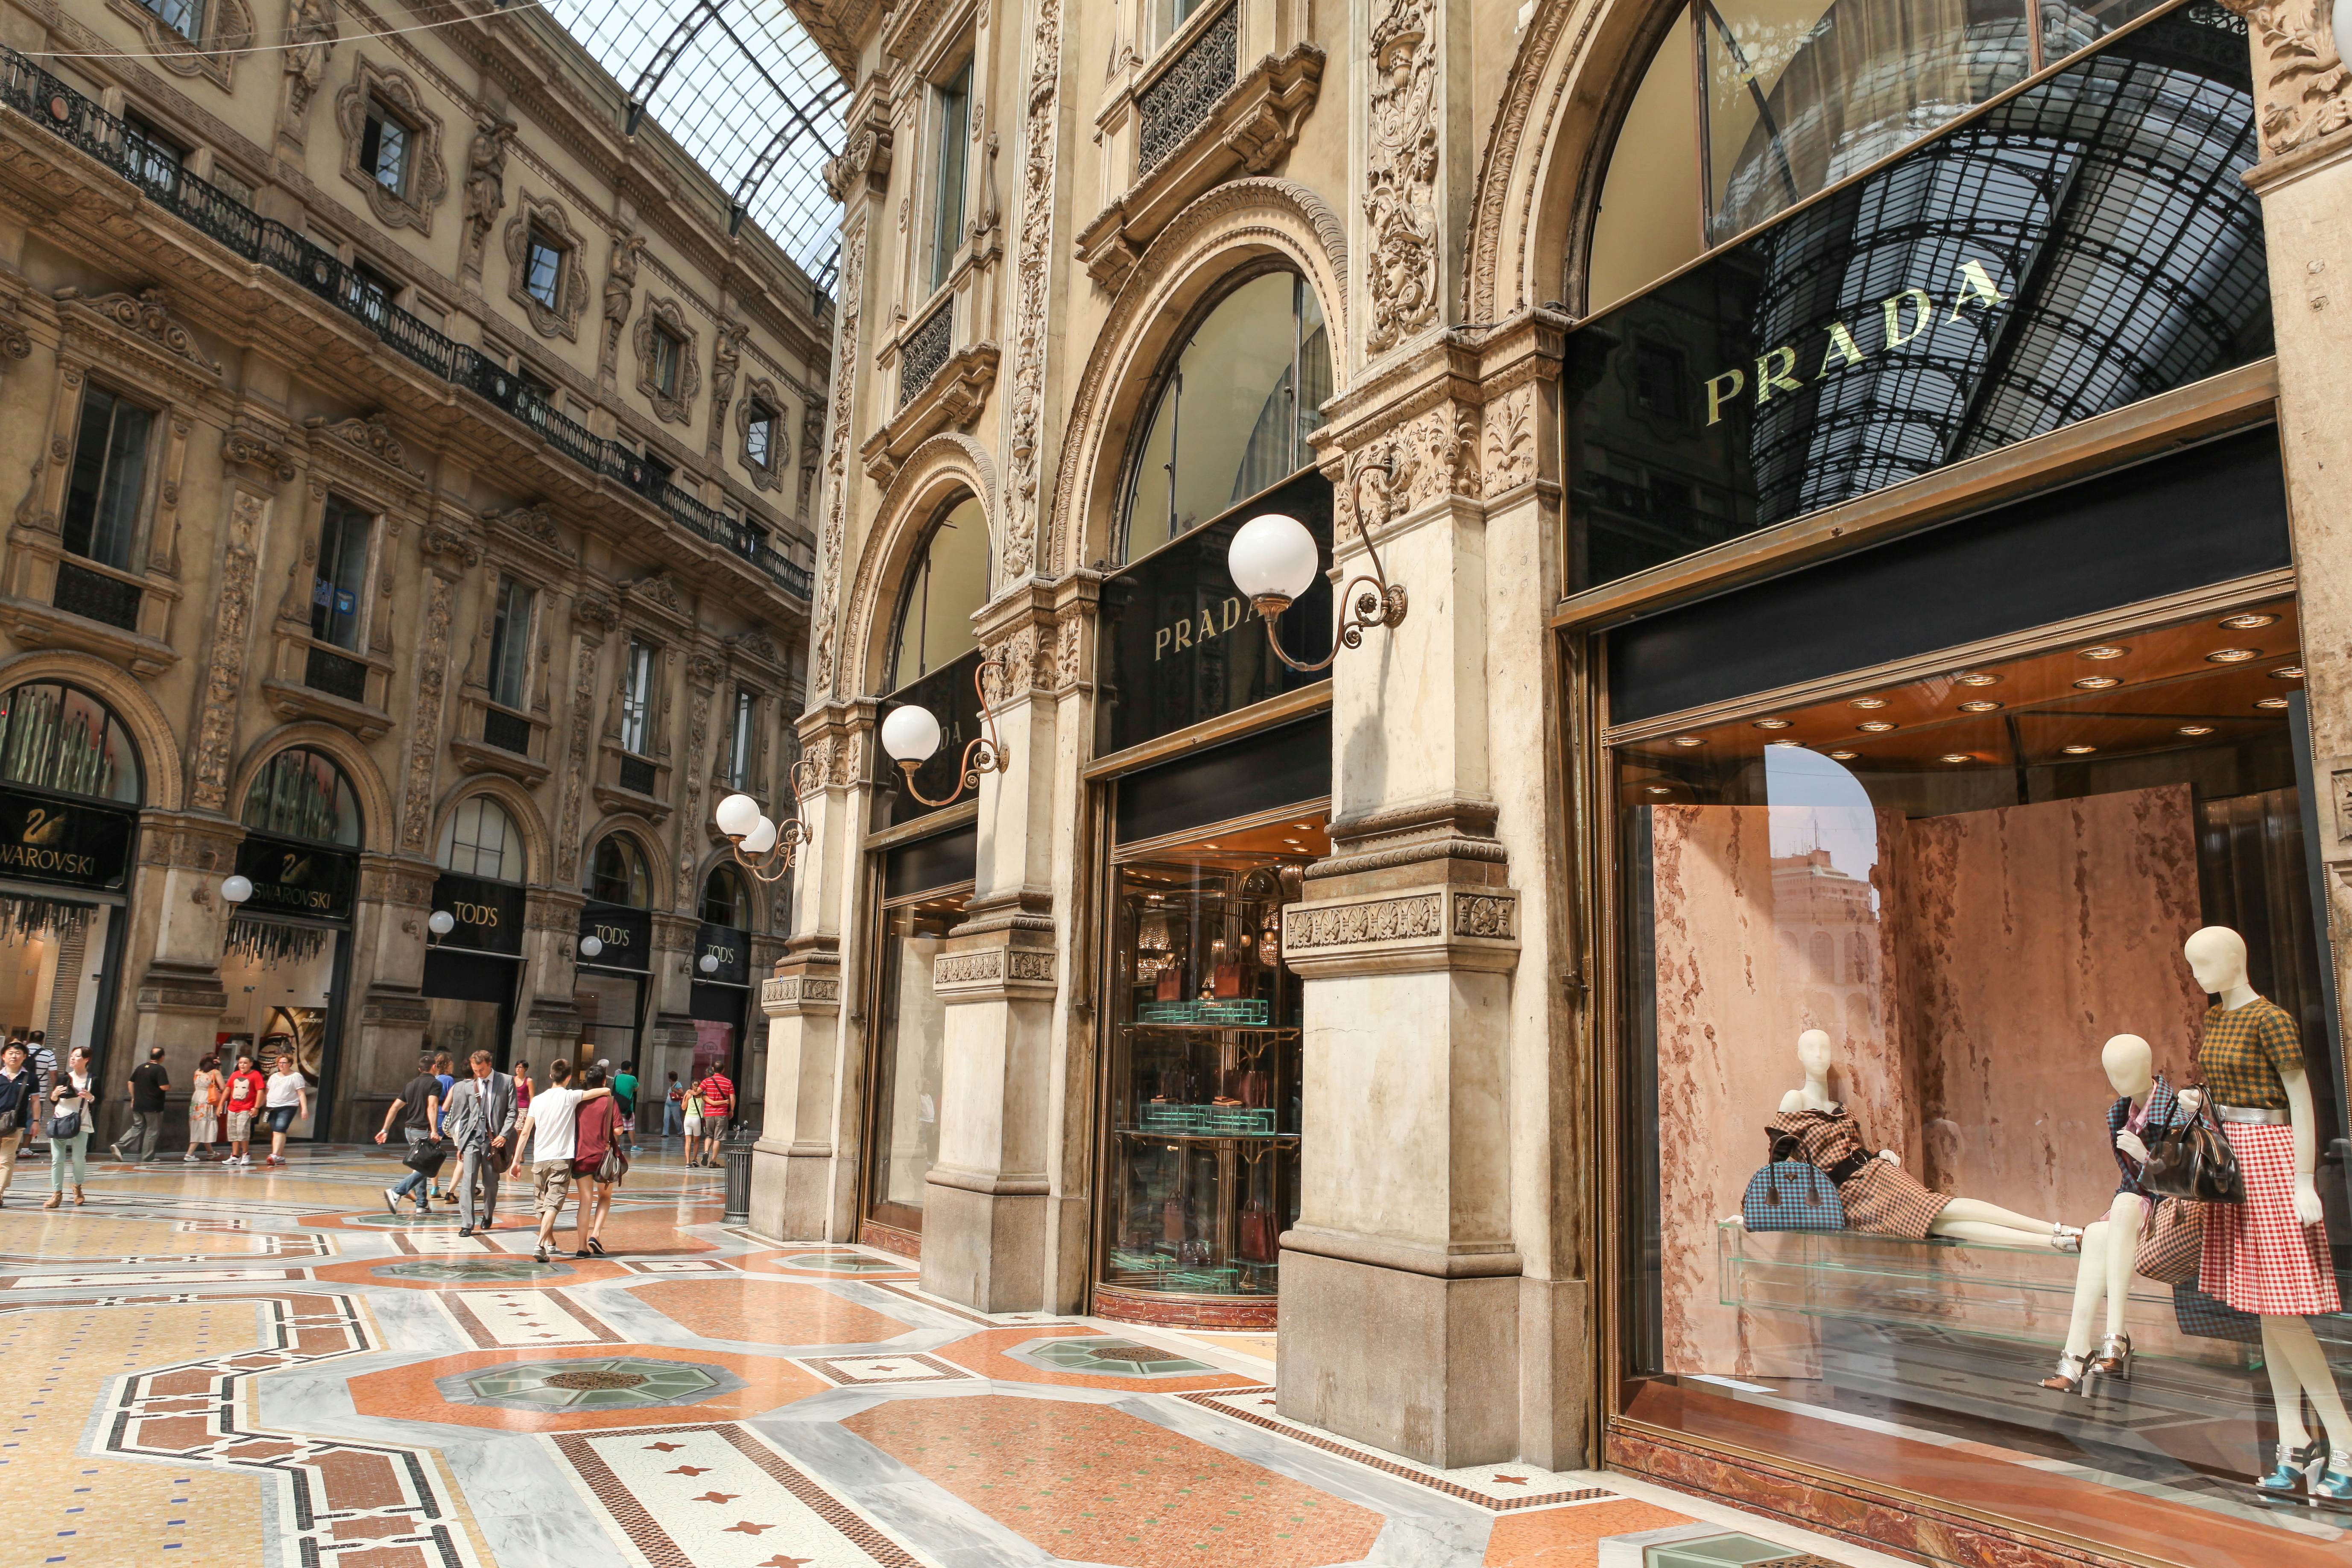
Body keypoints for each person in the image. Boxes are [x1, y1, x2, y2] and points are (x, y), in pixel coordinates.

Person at [506, 1058, 612, 1264]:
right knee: (553, 1204)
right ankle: (540, 1245)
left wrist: (516, 1161)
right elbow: (595, 1092)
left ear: (550, 1075)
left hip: (540, 1159)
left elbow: (526, 1132)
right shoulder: (570, 1096)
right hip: (561, 1159)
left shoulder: (537, 1100)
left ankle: (550, 1241)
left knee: (543, 1205)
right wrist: (607, 1091)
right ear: (569, 1078)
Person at [440, 1049, 518, 1237]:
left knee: (491, 1182)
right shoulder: (469, 1086)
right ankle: (467, 1223)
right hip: (473, 1139)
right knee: (468, 1181)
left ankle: (488, 1215)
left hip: (494, 1142)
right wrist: (462, 1144)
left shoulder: (506, 1081)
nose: (479, 1074)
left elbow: (512, 1112)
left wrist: (505, 1135)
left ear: (489, 1064)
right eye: (476, 1070)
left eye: (482, 1070)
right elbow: (464, 1117)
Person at [373, 1053, 444, 1215]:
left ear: (420, 1069)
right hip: (423, 1130)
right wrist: (434, 1130)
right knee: (428, 1165)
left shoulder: (411, 1085)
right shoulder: (435, 1084)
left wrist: (385, 1130)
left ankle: (421, 1204)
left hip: (409, 1130)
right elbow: (432, 1106)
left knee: (420, 1164)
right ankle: (397, 1191)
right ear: (434, 1067)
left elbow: (394, 1108)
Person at [570, 1066, 626, 1256]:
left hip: (581, 1156)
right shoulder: (609, 1102)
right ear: (604, 1082)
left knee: (585, 1201)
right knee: (605, 1197)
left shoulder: (578, 1102)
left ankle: (581, 1247)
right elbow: (618, 1130)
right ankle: (596, 1235)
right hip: (604, 1159)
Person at [43, 1045, 97, 1208]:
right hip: (61, 1121)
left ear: (86, 1059)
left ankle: (77, 1186)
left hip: (81, 1122)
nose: (72, 1058)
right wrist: (54, 1095)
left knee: (78, 1159)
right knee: (57, 1160)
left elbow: (98, 1101)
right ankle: (56, 1194)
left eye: (77, 1056)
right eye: (72, 1056)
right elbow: (54, 1100)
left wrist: (90, 1096)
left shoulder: (93, 1079)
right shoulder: (63, 1078)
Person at [0, 1040, 41, 1205]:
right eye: (10, 1053)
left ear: (24, 1057)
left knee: (6, 1159)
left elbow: (36, 1101)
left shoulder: (30, 1078)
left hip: (16, 1124)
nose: (14, 1056)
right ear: (4, 1057)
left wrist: (36, 1122)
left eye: (18, 1054)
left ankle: (0, 1192)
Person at [116, 1046, 170, 1162]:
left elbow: (130, 1082)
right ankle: (148, 1156)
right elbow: (164, 1087)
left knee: (137, 1127)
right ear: (162, 1057)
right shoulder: (160, 1069)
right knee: (152, 1130)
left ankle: (119, 1147)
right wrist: (169, 1087)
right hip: (153, 1105)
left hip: (138, 1103)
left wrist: (133, 1097)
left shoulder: (141, 1067)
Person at [262, 1054, 307, 1166]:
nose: (281, 1065)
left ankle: (274, 1155)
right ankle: (280, 1157)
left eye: (284, 1063)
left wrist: (304, 1109)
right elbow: (267, 1092)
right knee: (276, 1131)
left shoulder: (296, 1076)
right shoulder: (274, 1077)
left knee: (280, 1129)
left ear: (290, 1064)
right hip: (272, 1106)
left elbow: (301, 1094)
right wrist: (259, 1106)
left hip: (288, 1106)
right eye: (279, 1063)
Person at [222, 1053, 265, 1165]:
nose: (242, 1065)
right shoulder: (235, 1074)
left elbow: (260, 1091)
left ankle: (246, 1154)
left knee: (242, 1131)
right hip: (232, 1107)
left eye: (245, 1063)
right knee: (233, 1132)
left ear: (251, 1064)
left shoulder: (256, 1075)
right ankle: (235, 1155)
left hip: (247, 1108)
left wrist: (256, 1107)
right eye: (240, 1063)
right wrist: (221, 1104)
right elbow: (227, 1090)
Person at [427, 1052, 456, 1199]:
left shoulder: (433, 1079)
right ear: (448, 1064)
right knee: (463, 1150)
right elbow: (452, 1099)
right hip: (447, 1116)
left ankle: (434, 1187)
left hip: (434, 1115)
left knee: (434, 1150)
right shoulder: (449, 1080)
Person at [692, 1065, 734, 1167]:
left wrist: (692, 1091)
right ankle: (713, 1161)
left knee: (709, 1135)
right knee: (718, 1138)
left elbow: (697, 1092)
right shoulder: (728, 1082)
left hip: (709, 1114)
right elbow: (732, 1097)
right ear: (723, 1070)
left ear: (713, 1069)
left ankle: (706, 1151)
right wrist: (732, 1110)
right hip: (722, 1114)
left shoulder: (707, 1081)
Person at [184, 1054, 223, 1161]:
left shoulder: (197, 1072)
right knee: (204, 1125)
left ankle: (211, 1152)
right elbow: (223, 1087)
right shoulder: (215, 1073)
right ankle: (189, 1154)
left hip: (196, 1099)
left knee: (199, 1124)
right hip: (208, 1099)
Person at [612, 1059, 638, 1147]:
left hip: (617, 1106)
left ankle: (617, 1146)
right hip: (628, 1107)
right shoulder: (632, 1079)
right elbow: (636, 1088)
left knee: (616, 1126)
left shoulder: (617, 1078)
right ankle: (634, 1146)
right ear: (630, 1068)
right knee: (630, 1127)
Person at [663, 1072, 683, 1138]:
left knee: (677, 1119)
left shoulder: (678, 1084)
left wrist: (675, 1090)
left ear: (671, 1078)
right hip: (668, 1104)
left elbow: (682, 1093)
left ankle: (680, 1132)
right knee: (666, 1118)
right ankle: (665, 1133)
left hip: (675, 1104)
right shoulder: (671, 1084)